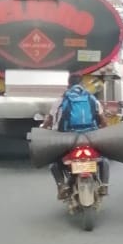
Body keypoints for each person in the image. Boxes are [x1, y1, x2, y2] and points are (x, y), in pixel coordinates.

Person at [42, 72, 108, 200]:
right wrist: (105, 130)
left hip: (67, 138)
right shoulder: (92, 98)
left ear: (68, 84)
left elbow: (49, 119)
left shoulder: (61, 100)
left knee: (54, 163)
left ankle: (62, 186)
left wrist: (44, 129)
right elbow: (102, 119)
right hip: (90, 137)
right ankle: (104, 185)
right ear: (82, 84)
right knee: (104, 160)